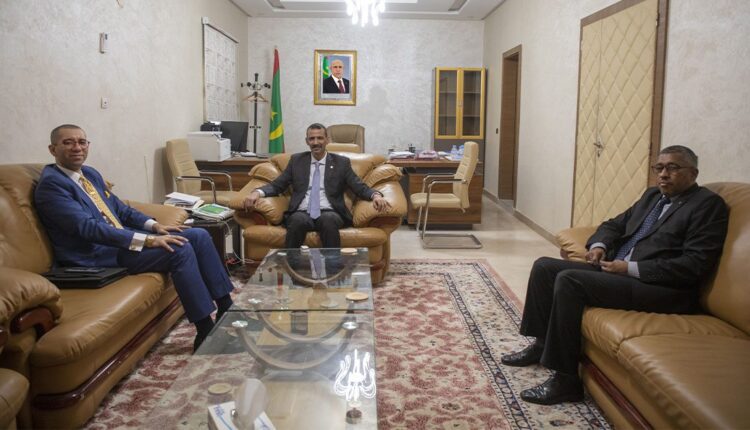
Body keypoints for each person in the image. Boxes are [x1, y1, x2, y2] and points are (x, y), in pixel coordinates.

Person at [501, 145, 729, 405]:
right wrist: (599, 245)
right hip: (619, 270)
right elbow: (614, 224)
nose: (663, 174)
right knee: (544, 267)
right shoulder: (652, 196)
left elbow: (693, 265)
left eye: (673, 168)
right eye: (659, 168)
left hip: (662, 287)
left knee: (570, 280)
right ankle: (541, 345)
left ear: (693, 173)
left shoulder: (708, 206)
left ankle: (566, 380)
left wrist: (629, 268)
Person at [35, 124, 234, 352]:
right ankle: (205, 331)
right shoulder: (52, 185)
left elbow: (120, 209)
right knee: (178, 249)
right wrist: (148, 240)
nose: (77, 148)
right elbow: (88, 228)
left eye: (82, 142)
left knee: (198, 235)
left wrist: (155, 226)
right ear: (52, 149)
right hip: (95, 255)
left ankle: (227, 308)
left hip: (119, 243)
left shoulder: (89, 174)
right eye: (68, 142)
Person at [243, 123, 390, 248]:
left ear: (327, 140)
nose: (315, 142)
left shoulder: (341, 163)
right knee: (297, 221)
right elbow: (277, 185)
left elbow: (358, 186)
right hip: (301, 211)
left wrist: (376, 195)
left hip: (330, 211)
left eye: (320, 138)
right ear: (307, 141)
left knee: (328, 220)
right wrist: (257, 193)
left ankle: (332, 268)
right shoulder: (297, 161)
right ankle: (292, 267)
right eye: (311, 138)